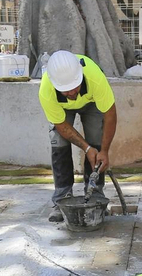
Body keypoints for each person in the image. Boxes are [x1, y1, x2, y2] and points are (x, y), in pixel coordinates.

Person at [37, 49, 118, 223]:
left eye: (74, 88)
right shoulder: (46, 89)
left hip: (91, 103)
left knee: (96, 138)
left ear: (80, 76)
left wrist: (103, 151)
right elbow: (61, 126)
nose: (72, 94)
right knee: (59, 143)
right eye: (66, 91)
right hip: (62, 110)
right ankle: (61, 198)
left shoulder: (95, 76)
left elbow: (110, 115)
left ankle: (95, 195)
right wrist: (85, 148)